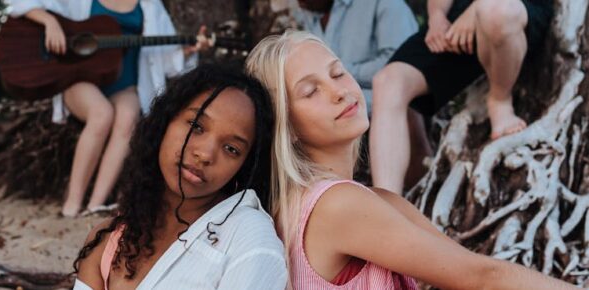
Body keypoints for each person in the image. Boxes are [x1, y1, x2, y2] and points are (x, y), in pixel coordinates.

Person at [246, 30, 575, 290]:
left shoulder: (369, 199)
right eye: (310, 91)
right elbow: (481, 276)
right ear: (285, 127)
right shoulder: (335, 205)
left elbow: (463, 266)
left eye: (337, 73)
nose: (339, 91)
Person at [70, 63, 286, 290]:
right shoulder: (106, 243)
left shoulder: (249, 239)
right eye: (196, 126)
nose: (204, 154)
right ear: (165, 121)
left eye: (231, 149)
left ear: (244, 165)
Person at [8, 0, 210, 216]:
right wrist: (49, 22)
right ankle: (72, 203)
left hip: (125, 84)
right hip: (79, 79)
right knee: (101, 114)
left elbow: (169, 62)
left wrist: (189, 51)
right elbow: (20, 4)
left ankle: (96, 204)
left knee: (128, 117)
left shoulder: (151, 5)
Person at [369, 0, 554, 194]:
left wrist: (477, 8)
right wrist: (437, 17)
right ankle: (387, 199)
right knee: (388, 82)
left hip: (513, 13)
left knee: (495, 11)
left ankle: (500, 100)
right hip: (458, 22)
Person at [290, 0, 417, 113]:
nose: (299, 2)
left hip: (387, 111)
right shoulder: (309, 12)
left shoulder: (384, 4)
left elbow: (401, 67)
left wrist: (339, 73)